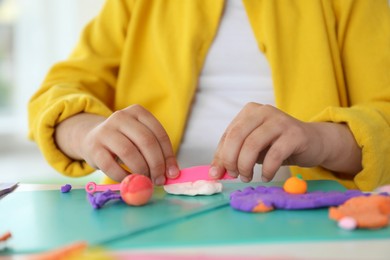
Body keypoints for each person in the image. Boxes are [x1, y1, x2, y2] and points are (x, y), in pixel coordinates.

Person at [28, 0, 390, 191]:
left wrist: (320, 139)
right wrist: (89, 133)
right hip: (147, 213)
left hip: (309, 218)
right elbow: (55, 95)